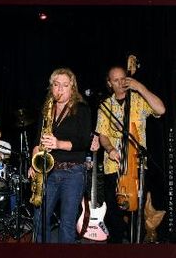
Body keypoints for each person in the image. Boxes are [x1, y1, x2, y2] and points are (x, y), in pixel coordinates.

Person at [95, 65, 165, 243]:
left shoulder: (139, 100)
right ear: (109, 83)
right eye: (116, 80)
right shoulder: (105, 106)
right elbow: (102, 135)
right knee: (114, 215)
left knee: (137, 214)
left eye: (123, 78)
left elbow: (161, 110)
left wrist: (140, 87)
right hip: (113, 167)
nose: (121, 83)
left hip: (137, 166)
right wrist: (110, 149)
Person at [28, 67, 92, 243]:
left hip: (73, 172)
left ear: (73, 87)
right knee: (40, 221)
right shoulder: (47, 108)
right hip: (48, 171)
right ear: (51, 87)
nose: (60, 89)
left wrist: (58, 144)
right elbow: (37, 140)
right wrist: (34, 160)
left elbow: (84, 141)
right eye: (56, 85)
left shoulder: (82, 109)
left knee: (67, 224)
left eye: (65, 85)